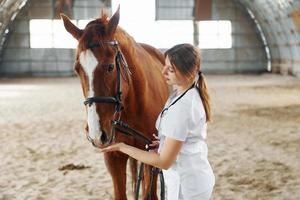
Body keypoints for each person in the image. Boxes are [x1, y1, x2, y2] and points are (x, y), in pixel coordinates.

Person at [100, 43, 215, 200]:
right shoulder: (183, 93)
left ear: (190, 73)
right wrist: (164, 142)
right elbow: (185, 136)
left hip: (188, 186)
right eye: (165, 65)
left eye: (171, 69)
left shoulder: (182, 107)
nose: (163, 71)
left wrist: (123, 148)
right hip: (193, 176)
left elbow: (163, 162)